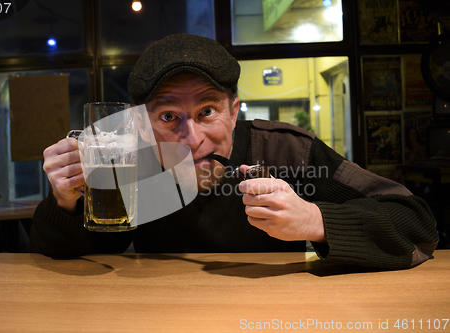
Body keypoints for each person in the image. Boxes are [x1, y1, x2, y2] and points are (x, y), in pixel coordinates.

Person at [30, 34, 438, 269]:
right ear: (140, 124)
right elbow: (82, 254)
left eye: (207, 111)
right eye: (169, 116)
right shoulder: (134, 163)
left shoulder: (285, 151)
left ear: (234, 110)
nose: (191, 139)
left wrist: (317, 220)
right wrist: (65, 202)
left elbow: (417, 223)